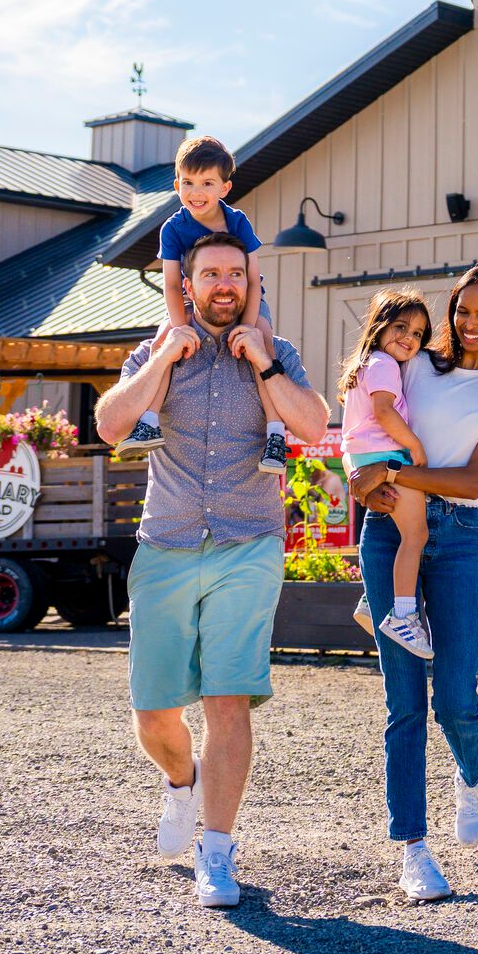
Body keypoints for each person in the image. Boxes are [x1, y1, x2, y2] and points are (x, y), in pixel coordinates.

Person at [95, 231, 327, 910]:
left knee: (227, 699)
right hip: (165, 545)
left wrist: (266, 365)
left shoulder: (274, 352)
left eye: (235, 274)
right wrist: (163, 357)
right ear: (188, 286)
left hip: (247, 544)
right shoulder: (158, 349)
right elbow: (111, 423)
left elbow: (313, 425)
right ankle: (180, 782)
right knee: (154, 716)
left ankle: (217, 851)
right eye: (210, 274)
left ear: (249, 285)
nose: (224, 285)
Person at [347, 263, 478, 904]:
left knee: (457, 697)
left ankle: (472, 776)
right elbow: (362, 418)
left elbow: (469, 482)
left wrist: (392, 477)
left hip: (457, 535)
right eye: (461, 310)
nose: (467, 324)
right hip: (387, 531)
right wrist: (359, 478)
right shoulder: (413, 363)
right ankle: (413, 848)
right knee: (404, 702)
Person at [148, 135, 285, 476]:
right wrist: (179, 328)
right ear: (177, 184)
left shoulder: (237, 222)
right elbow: (169, 283)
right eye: (189, 183)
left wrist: (248, 326)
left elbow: (253, 280)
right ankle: (148, 420)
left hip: (244, 298)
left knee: (263, 339)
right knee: (162, 340)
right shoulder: (174, 228)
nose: (197, 192)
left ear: (224, 188)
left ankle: (275, 433)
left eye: (207, 183)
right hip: (193, 300)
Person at [336, 290, 434, 657]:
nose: (410, 338)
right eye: (401, 327)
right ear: (378, 327)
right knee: (416, 534)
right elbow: (384, 413)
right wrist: (416, 447)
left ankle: (370, 601)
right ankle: (404, 616)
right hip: (385, 454)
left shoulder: (367, 364)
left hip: (364, 458)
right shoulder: (384, 365)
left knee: (400, 535)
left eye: (419, 334)